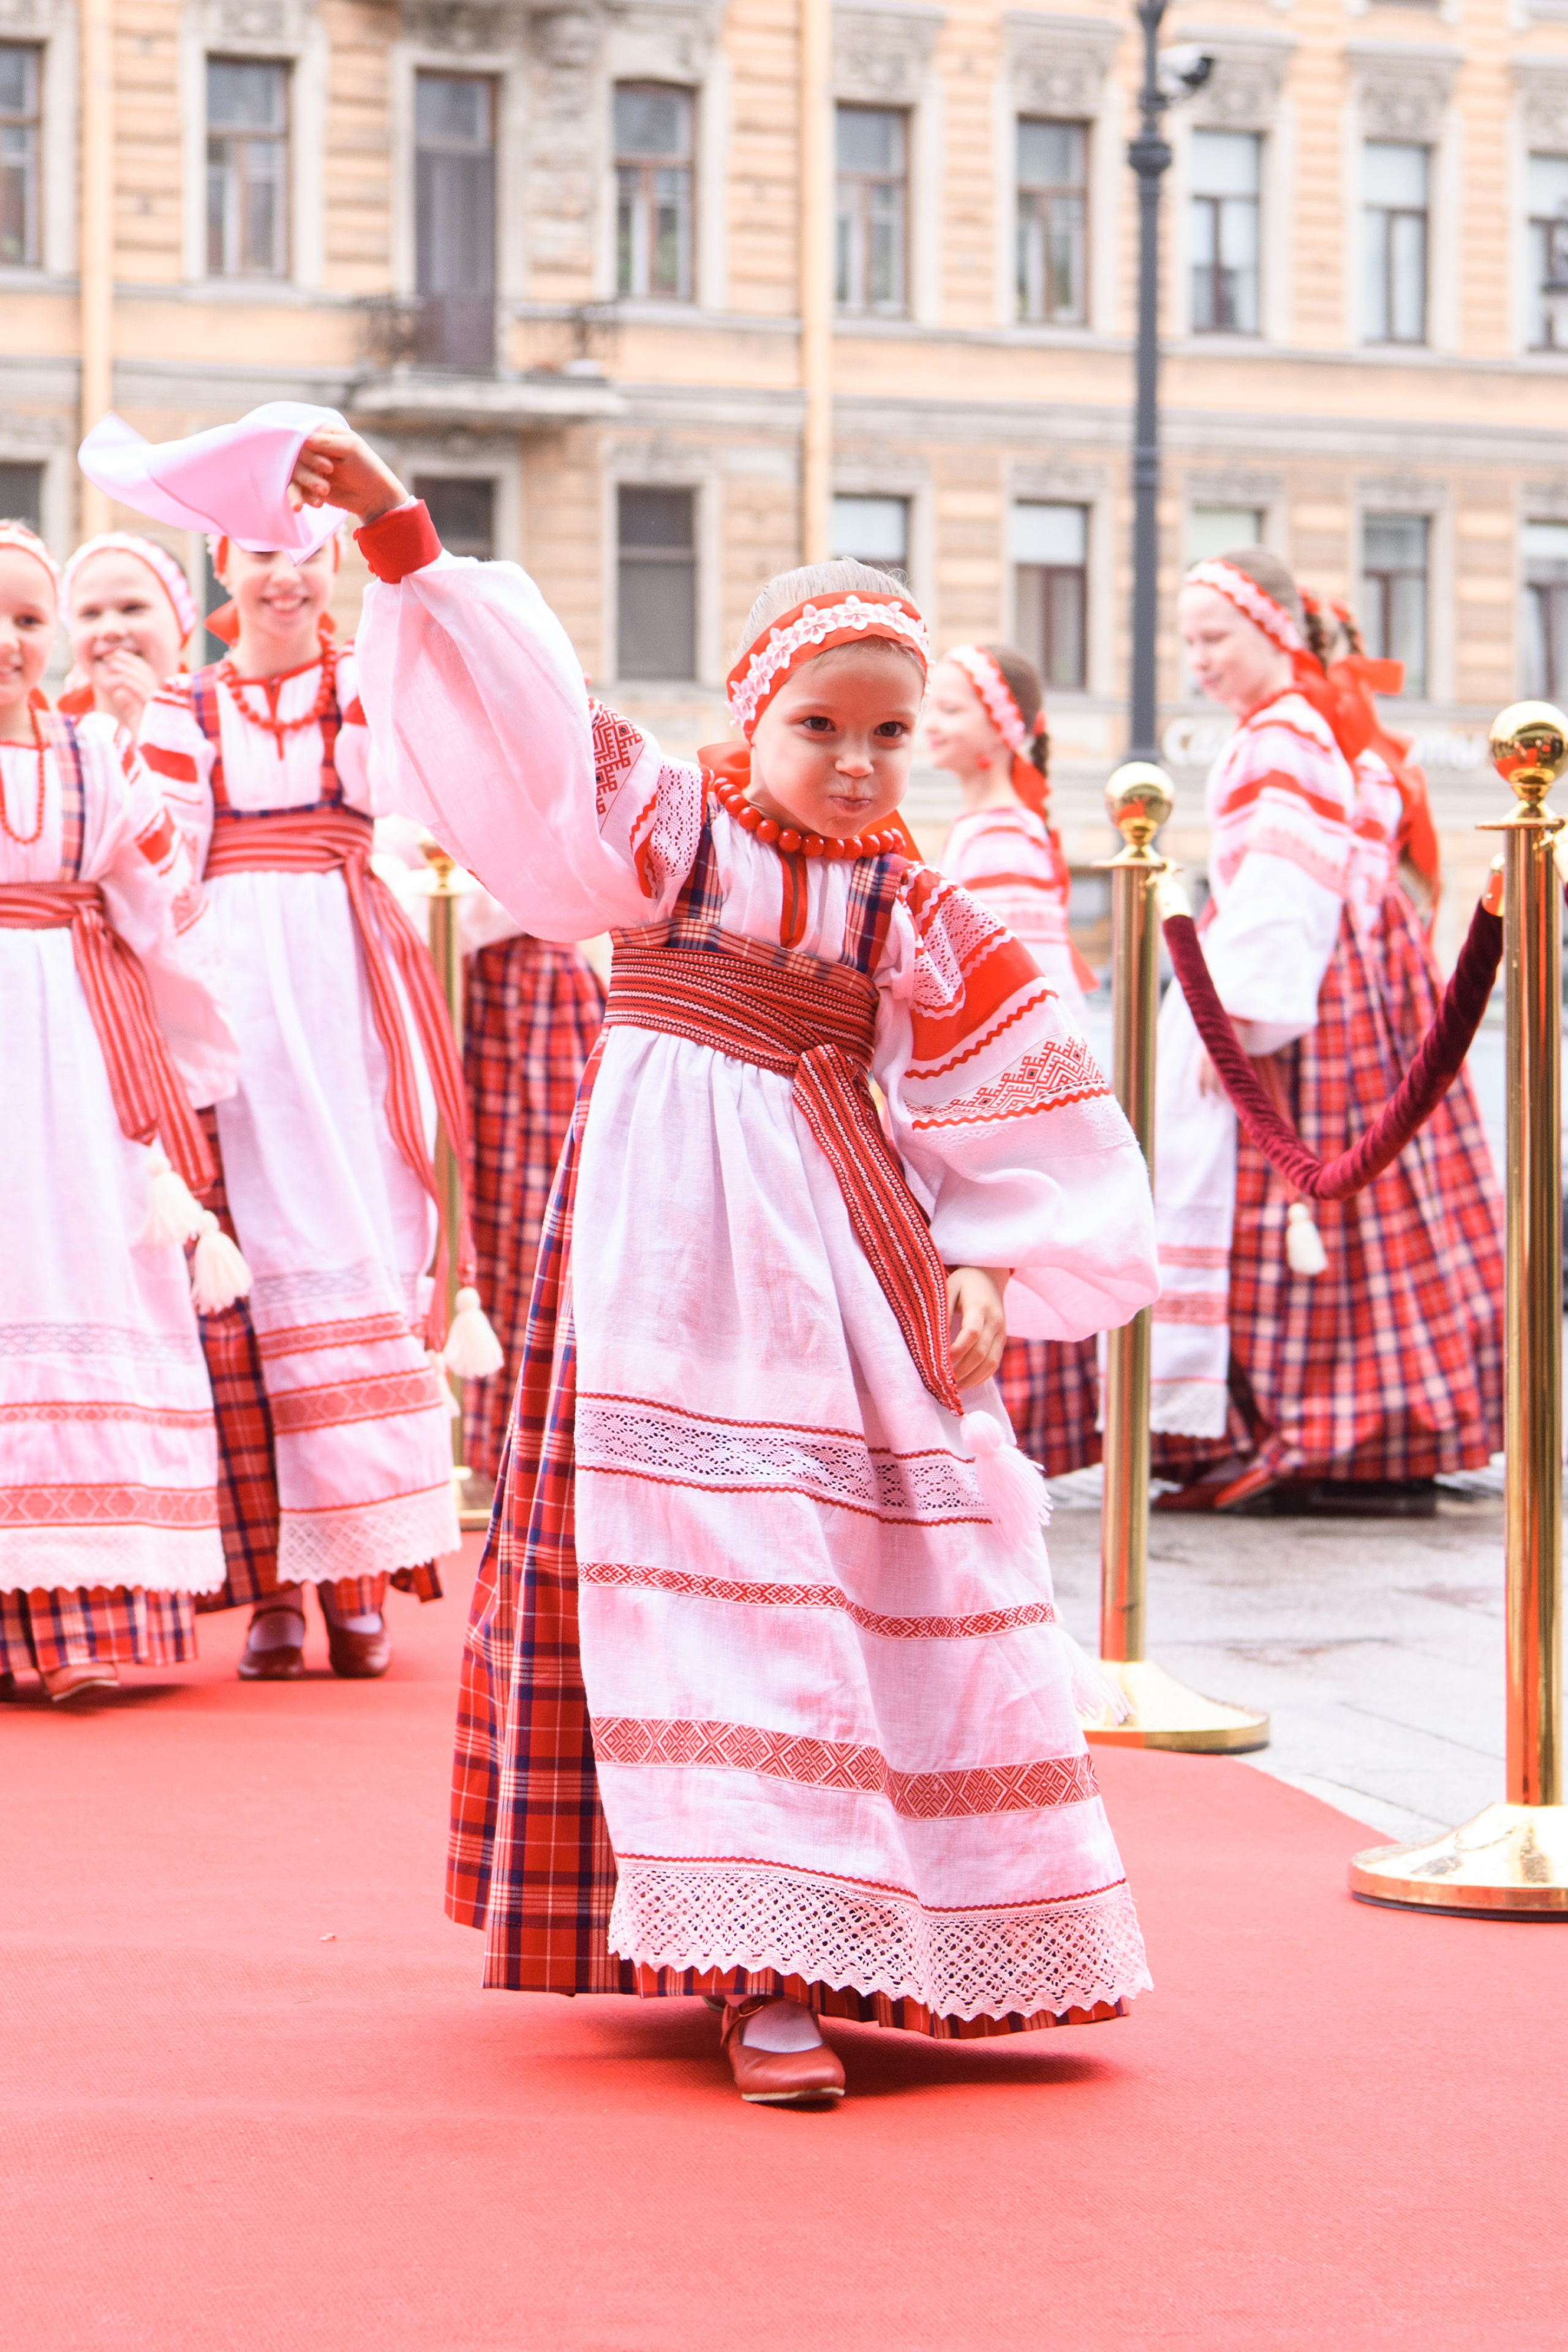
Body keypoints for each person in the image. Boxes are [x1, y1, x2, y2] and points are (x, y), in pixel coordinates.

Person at [295, 421, 1160, 2107]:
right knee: (701, 1553)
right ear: (750, 715)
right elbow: (530, 731)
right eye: (821, 726)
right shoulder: (672, 827)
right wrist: (404, 536)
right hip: (674, 1252)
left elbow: (1015, 1066)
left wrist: (989, 1252)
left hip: (839, 1250)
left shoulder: (910, 899)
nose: (856, 762)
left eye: (890, 733)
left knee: (867, 1553)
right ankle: (751, 1963)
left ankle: (896, 1918)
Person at [136, 524, 465, 1679]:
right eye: (261, 553)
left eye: (308, 553)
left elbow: (432, 790)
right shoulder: (188, 709)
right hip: (236, 993)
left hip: (347, 978)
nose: (285, 575)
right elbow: (162, 854)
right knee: (255, 1281)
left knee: (363, 1246)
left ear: (336, 567)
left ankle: (358, 1578)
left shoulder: (360, 684)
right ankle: (277, 1586)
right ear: (227, 566)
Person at [1150, 548, 1504, 1511]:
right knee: (1367, 1210)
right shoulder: (1308, 725)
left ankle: (1314, 1430)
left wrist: (1235, 1021)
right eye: (1188, 641)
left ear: (1274, 633)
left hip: (1314, 990)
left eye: (1214, 638)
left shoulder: (1282, 733)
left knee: (1296, 1203)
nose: (1198, 661)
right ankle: (1360, 1426)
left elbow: (1279, 884)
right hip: (1357, 980)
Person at [0, 520, 240, 1700]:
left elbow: (161, 901)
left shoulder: (97, 757)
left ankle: (90, 1624)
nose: (10, 640)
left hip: (80, 1061)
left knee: (87, 1265)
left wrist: (195, 1061)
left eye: (29, 620)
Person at [924, 642, 1103, 1480]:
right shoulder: (992, 828)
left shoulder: (999, 839)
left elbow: (1016, 990)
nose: (932, 724)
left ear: (998, 732)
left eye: (951, 710)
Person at [60, 531, 196, 731]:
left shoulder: (218, 718)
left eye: (133, 608)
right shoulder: (54, 742)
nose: (110, 630)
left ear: (184, 618)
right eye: (90, 614)